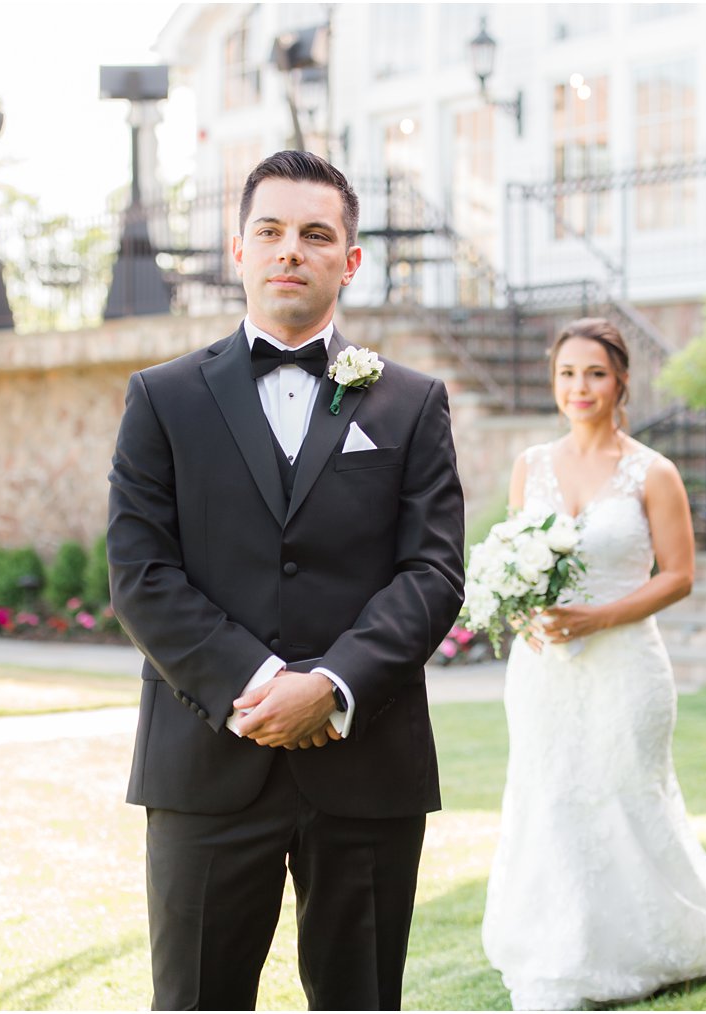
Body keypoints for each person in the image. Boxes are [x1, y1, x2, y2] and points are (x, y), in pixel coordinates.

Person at [107, 150, 466, 1011]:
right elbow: (140, 573)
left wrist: (333, 686)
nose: (288, 250)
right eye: (269, 231)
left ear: (349, 261)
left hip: (367, 758)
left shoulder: (411, 403)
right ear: (238, 250)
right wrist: (265, 686)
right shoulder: (162, 400)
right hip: (205, 758)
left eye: (315, 234)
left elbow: (434, 571)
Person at [480, 318, 706, 1010]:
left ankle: (656, 939)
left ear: (622, 381)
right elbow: (517, 562)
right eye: (567, 374)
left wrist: (599, 618)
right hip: (544, 669)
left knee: (627, 794)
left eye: (595, 374)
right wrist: (522, 618)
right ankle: (563, 947)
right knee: (549, 795)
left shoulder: (651, 470)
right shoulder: (531, 466)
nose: (580, 387)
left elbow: (680, 575)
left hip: (625, 663)